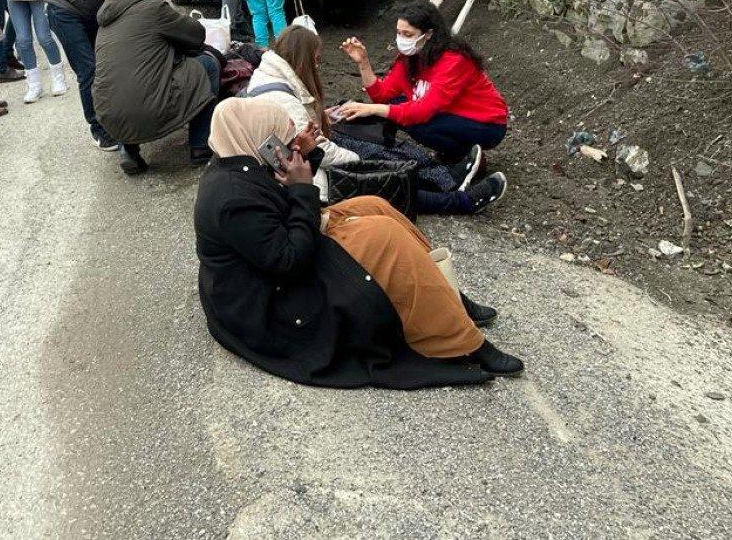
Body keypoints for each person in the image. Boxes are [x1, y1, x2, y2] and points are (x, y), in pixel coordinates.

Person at [194, 97, 523, 390]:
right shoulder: (233, 198)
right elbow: (290, 261)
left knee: (375, 205)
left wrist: (309, 154)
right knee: (384, 237)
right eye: (279, 141)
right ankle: (464, 342)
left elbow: (283, 203)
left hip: (287, 242)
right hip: (270, 299)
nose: (285, 147)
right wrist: (301, 189)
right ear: (254, 139)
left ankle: (447, 295)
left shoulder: (239, 159)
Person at [248, 26, 505, 215]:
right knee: (381, 176)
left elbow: (386, 96)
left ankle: (443, 177)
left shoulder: (271, 75)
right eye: (315, 61)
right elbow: (321, 148)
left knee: (375, 142)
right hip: (309, 176)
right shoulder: (280, 94)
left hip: (305, 162)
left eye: (406, 33)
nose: (317, 67)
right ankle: (460, 201)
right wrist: (360, 161)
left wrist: (329, 114)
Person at [337, 0, 510, 192]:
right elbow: (383, 95)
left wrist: (372, 109)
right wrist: (363, 63)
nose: (401, 39)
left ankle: (464, 156)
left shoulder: (453, 60)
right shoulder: (410, 58)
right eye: (399, 33)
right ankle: (455, 154)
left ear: (428, 35)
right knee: (396, 106)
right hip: (449, 115)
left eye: (408, 34)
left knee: (414, 120)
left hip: (486, 123)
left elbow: (423, 111)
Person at [44, 0, 161, 150]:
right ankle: (99, 130)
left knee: (109, 65)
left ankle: (118, 119)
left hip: (91, 11)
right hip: (64, 9)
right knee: (89, 70)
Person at [93, 0, 219, 175]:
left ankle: (128, 150)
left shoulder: (104, 22)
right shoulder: (153, 7)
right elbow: (196, 35)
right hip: (149, 110)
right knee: (207, 64)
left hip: (108, 117)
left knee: (124, 83)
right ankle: (200, 145)